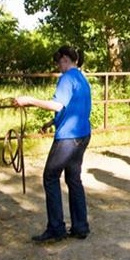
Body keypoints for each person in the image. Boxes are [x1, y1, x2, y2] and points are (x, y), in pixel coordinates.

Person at [14, 46, 92, 243]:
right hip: (82, 133)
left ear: (66, 59)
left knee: (50, 176)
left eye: (59, 62)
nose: (58, 66)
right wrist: (53, 122)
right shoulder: (82, 78)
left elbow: (58, 105)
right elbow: (76, 106)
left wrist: (29, 100)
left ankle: (56, 228)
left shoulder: (67, 78)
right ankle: (80, 227)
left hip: (68, 137)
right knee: (74, 179)